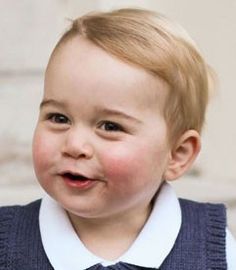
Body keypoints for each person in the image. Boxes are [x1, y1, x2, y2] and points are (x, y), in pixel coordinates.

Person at [0, 8, 235, 270]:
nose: (75, 145)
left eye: (110, 126)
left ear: (177, 154)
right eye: (59, 118)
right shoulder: (7, 242)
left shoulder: (215, 248)